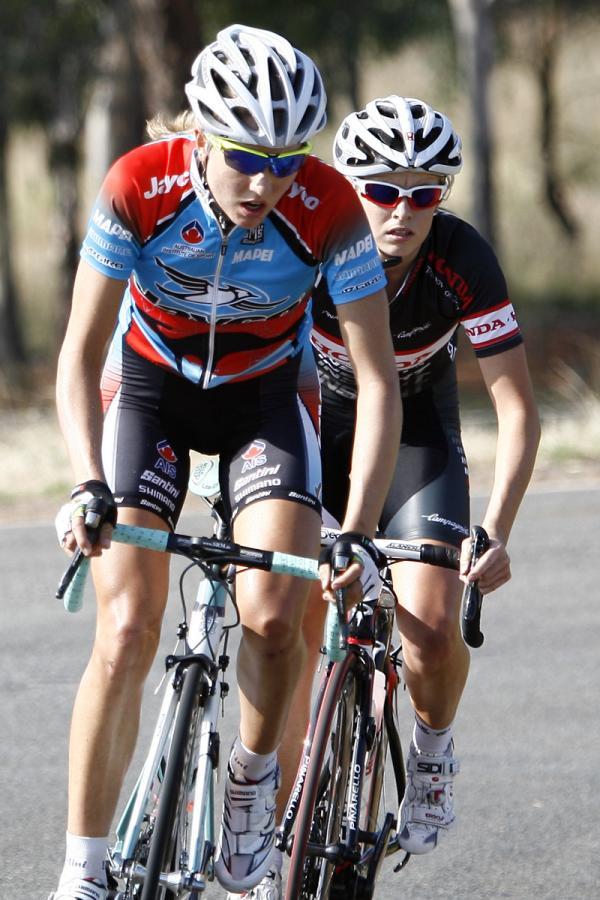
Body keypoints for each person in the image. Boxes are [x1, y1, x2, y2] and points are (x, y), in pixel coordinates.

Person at [48, 26, 401, 900]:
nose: (266, 181)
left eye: (288, 159)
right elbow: (77, 351)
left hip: (263, 402)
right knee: (126, 627)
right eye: (246, 155)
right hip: (150, 391)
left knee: (277, 615)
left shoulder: (327, 208)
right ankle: (84, 866)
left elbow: (379, 378)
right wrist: (87, 479)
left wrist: (355, 531)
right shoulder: (139, 184)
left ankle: (248, 787)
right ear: (202, 135)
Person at [267, 93, 541, 897]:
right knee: (292, 615)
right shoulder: (309, 242)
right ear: (348, 187)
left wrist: (494, 529)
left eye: (425, 191)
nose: (403, 210)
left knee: (426, 629)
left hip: (418, 435)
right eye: (383, 189)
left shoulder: (462, 258)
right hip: (317, 426)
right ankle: (284, 806)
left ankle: (433, 747)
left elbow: (518, 408)